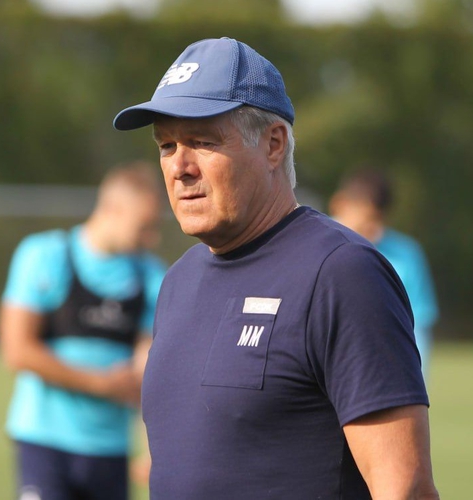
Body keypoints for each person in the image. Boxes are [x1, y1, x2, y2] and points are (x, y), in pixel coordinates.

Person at [113, 37, 439, 499]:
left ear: (273, 144)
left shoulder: (341, 273)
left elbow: (404, 487)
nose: (180, 167)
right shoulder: (176, 282)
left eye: (202, 142)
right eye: (167, 145)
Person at [0, 162, 167, 500]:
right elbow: (17, 351)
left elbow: (148, 368)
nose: (152, 238)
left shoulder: (151, 277)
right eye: (143, 227)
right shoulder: (45, 256)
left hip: (110, 449)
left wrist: (154, 445)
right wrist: (100, 384)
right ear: (112, 209)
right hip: (44, 442)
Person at [329, 169, 439, 378]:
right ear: (340, 203)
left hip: (381, 376)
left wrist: (417, 378)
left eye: (380, 219)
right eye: (368, 218)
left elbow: (418, 326)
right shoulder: (310, 247)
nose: (374, 228)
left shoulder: (407, 254)